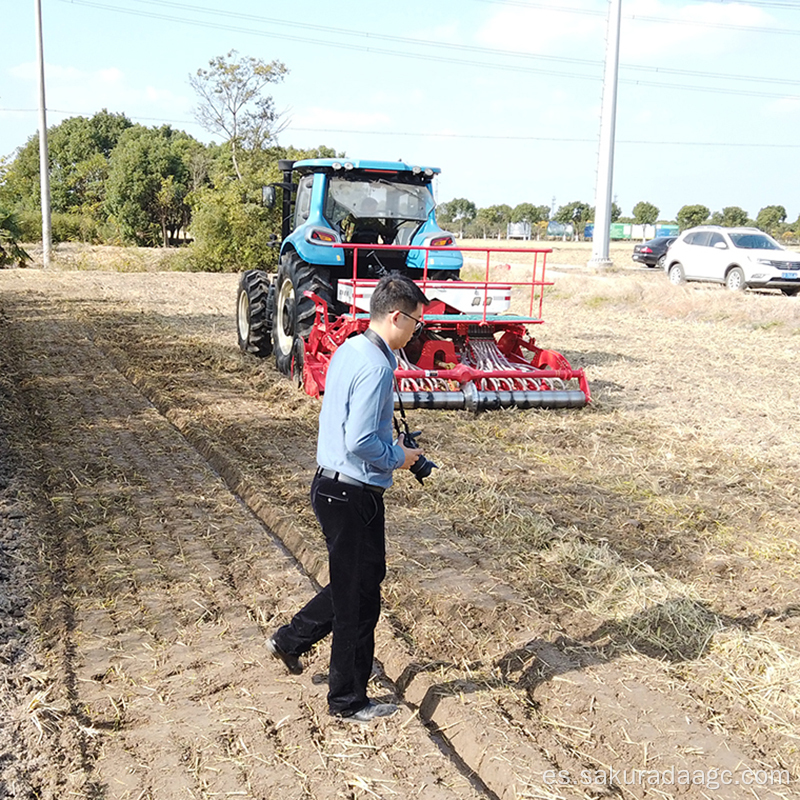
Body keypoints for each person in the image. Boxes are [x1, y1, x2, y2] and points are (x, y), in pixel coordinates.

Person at [266, 273, 429, 723]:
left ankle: (291, 639)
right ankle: (347, 700)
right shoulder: (377, 365)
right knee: (358, 598)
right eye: (416, 322)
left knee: (359, 579)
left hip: (332, 485)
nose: (417, 331)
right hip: (352, 490)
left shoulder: (353, 348)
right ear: (396, 316)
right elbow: (360, 440)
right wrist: (402, 456)